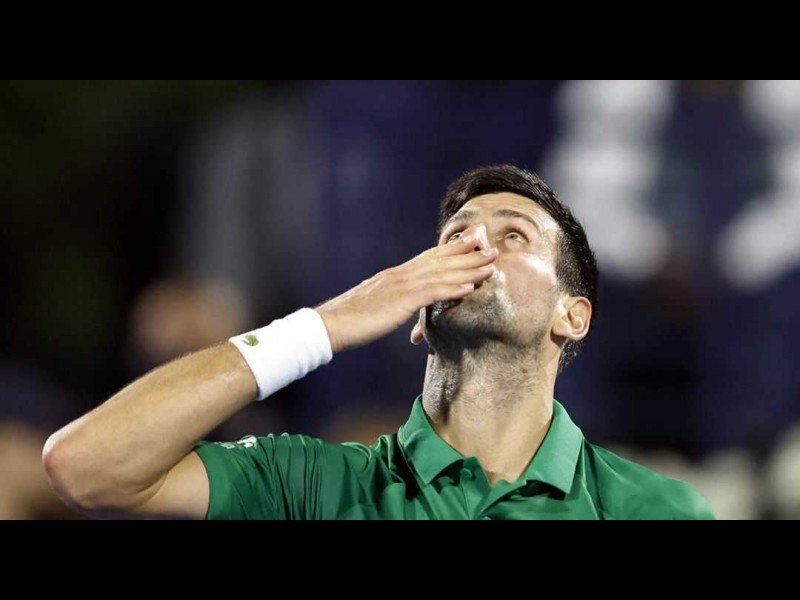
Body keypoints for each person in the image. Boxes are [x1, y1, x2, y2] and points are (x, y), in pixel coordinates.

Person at [42, 165, 715, 520]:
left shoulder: (651, 509)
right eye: (456, 237)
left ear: (573, 316)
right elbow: (86, 466)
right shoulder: (311, 484)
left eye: (513, 236)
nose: (474, 247)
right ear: (418, 315)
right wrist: (323, 326)